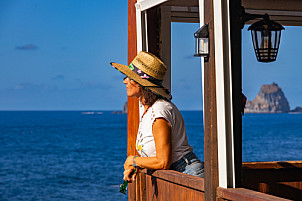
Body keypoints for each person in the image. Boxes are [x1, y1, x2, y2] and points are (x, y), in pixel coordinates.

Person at [110, 51, 204, 182]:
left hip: (188, 174)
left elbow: (163, 161)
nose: (125, 81)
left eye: (128, 77)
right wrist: (136, 165)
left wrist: (133, 160)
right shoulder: (147, 109)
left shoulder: (159, 111)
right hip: (180, 173)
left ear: (139, 83)